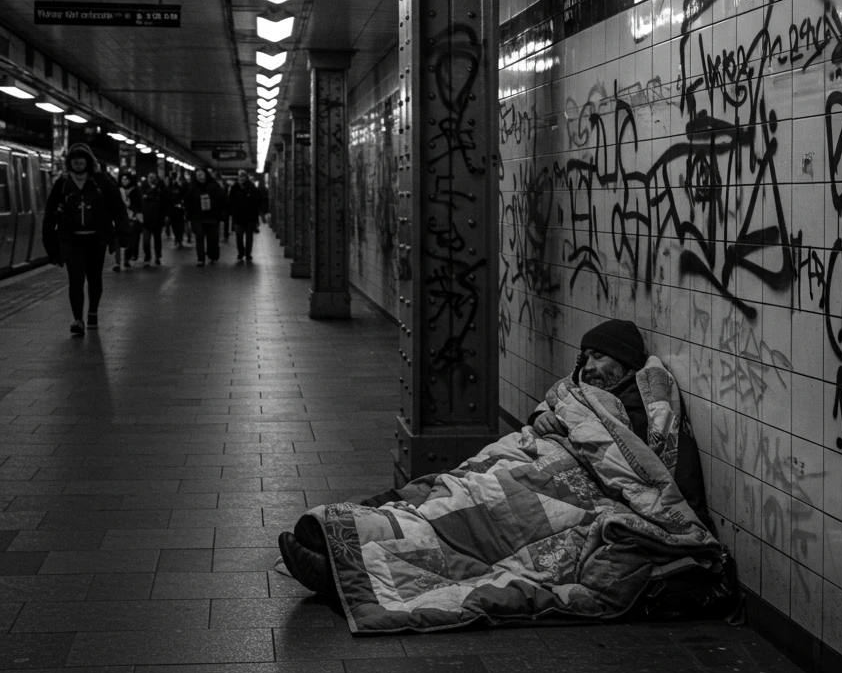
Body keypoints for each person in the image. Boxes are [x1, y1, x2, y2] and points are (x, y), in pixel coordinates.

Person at [277, 319, 730, 630]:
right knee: (450, 488)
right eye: (585, 358)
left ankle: (344, 569)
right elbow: (555, 408)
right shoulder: (579, 391)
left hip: (573, 487)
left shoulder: (642, 403)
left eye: (600, 357)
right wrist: (543, 419)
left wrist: (571, 432)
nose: (589, 367)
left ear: (626, 363)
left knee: (474, 515)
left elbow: (645, 468)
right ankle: (347, 536)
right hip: (535, 458)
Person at [42, 143, 128, 335]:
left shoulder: (102, 182)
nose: (78, 162)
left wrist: (123, 233)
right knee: (76, 278)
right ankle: (78, 319)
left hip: (96, 240)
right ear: (69, 162)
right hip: (71, 240)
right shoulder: (62, 183)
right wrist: (49, 241)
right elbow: (50, 213)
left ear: (89, 161)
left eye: (82, 158)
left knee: (94, 277)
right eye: (74, 159)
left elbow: (117, 207)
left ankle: (93, 312)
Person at [185, 167, 225, 266]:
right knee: (199, 236)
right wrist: (189, 216)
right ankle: (201, 259)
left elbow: (222, 200)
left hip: (212, 217)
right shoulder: (192, 188)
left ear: (206, 175)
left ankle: (212, 255)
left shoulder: (214, 186)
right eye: (198, 175)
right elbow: (188, 202)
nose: (200, 177)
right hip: (197, 217)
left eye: (201, 174)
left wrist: (220, 213)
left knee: (212, 238)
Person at [227, 169, 261, 263]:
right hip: (238, 216)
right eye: (240, 177)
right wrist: (231, 212)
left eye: (243, 177)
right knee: (239, 236)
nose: (241, 179)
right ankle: (241, 252)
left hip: (250, 216)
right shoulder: (234, 188)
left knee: (249, 236)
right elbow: (230, 201)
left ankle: (248, 254)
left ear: (246, 178)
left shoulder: (252, 188)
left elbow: (258, 201)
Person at [113, 169, 142, 271]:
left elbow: (139, 204)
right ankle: (119, 261)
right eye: (122, 179)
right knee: (118, 240)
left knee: (130, 239)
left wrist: (135, 213)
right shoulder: (117, 190)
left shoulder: (135, 190)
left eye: (126, 179)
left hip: (131, 217)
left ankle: (127, 258)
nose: (124, 181)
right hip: (120, 218)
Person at [140, 171, 169, 266]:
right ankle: (147, 257)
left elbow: (165, 201)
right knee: (146, 240)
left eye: (153, 177)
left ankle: (157, 256)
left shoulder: (160, 187)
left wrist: (165, 215)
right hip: (146, 218)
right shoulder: (143, 187)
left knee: (157, 238)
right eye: (150, 177)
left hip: (157, 217)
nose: (151, 179)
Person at [167, 172, 187, 248]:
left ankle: (179, 239)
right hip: (173, 210)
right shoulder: (170, 188)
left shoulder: (180, 187)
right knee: (175, 225)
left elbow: (184, 195)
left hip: (179, 209)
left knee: (179, 225)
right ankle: (178, 238)